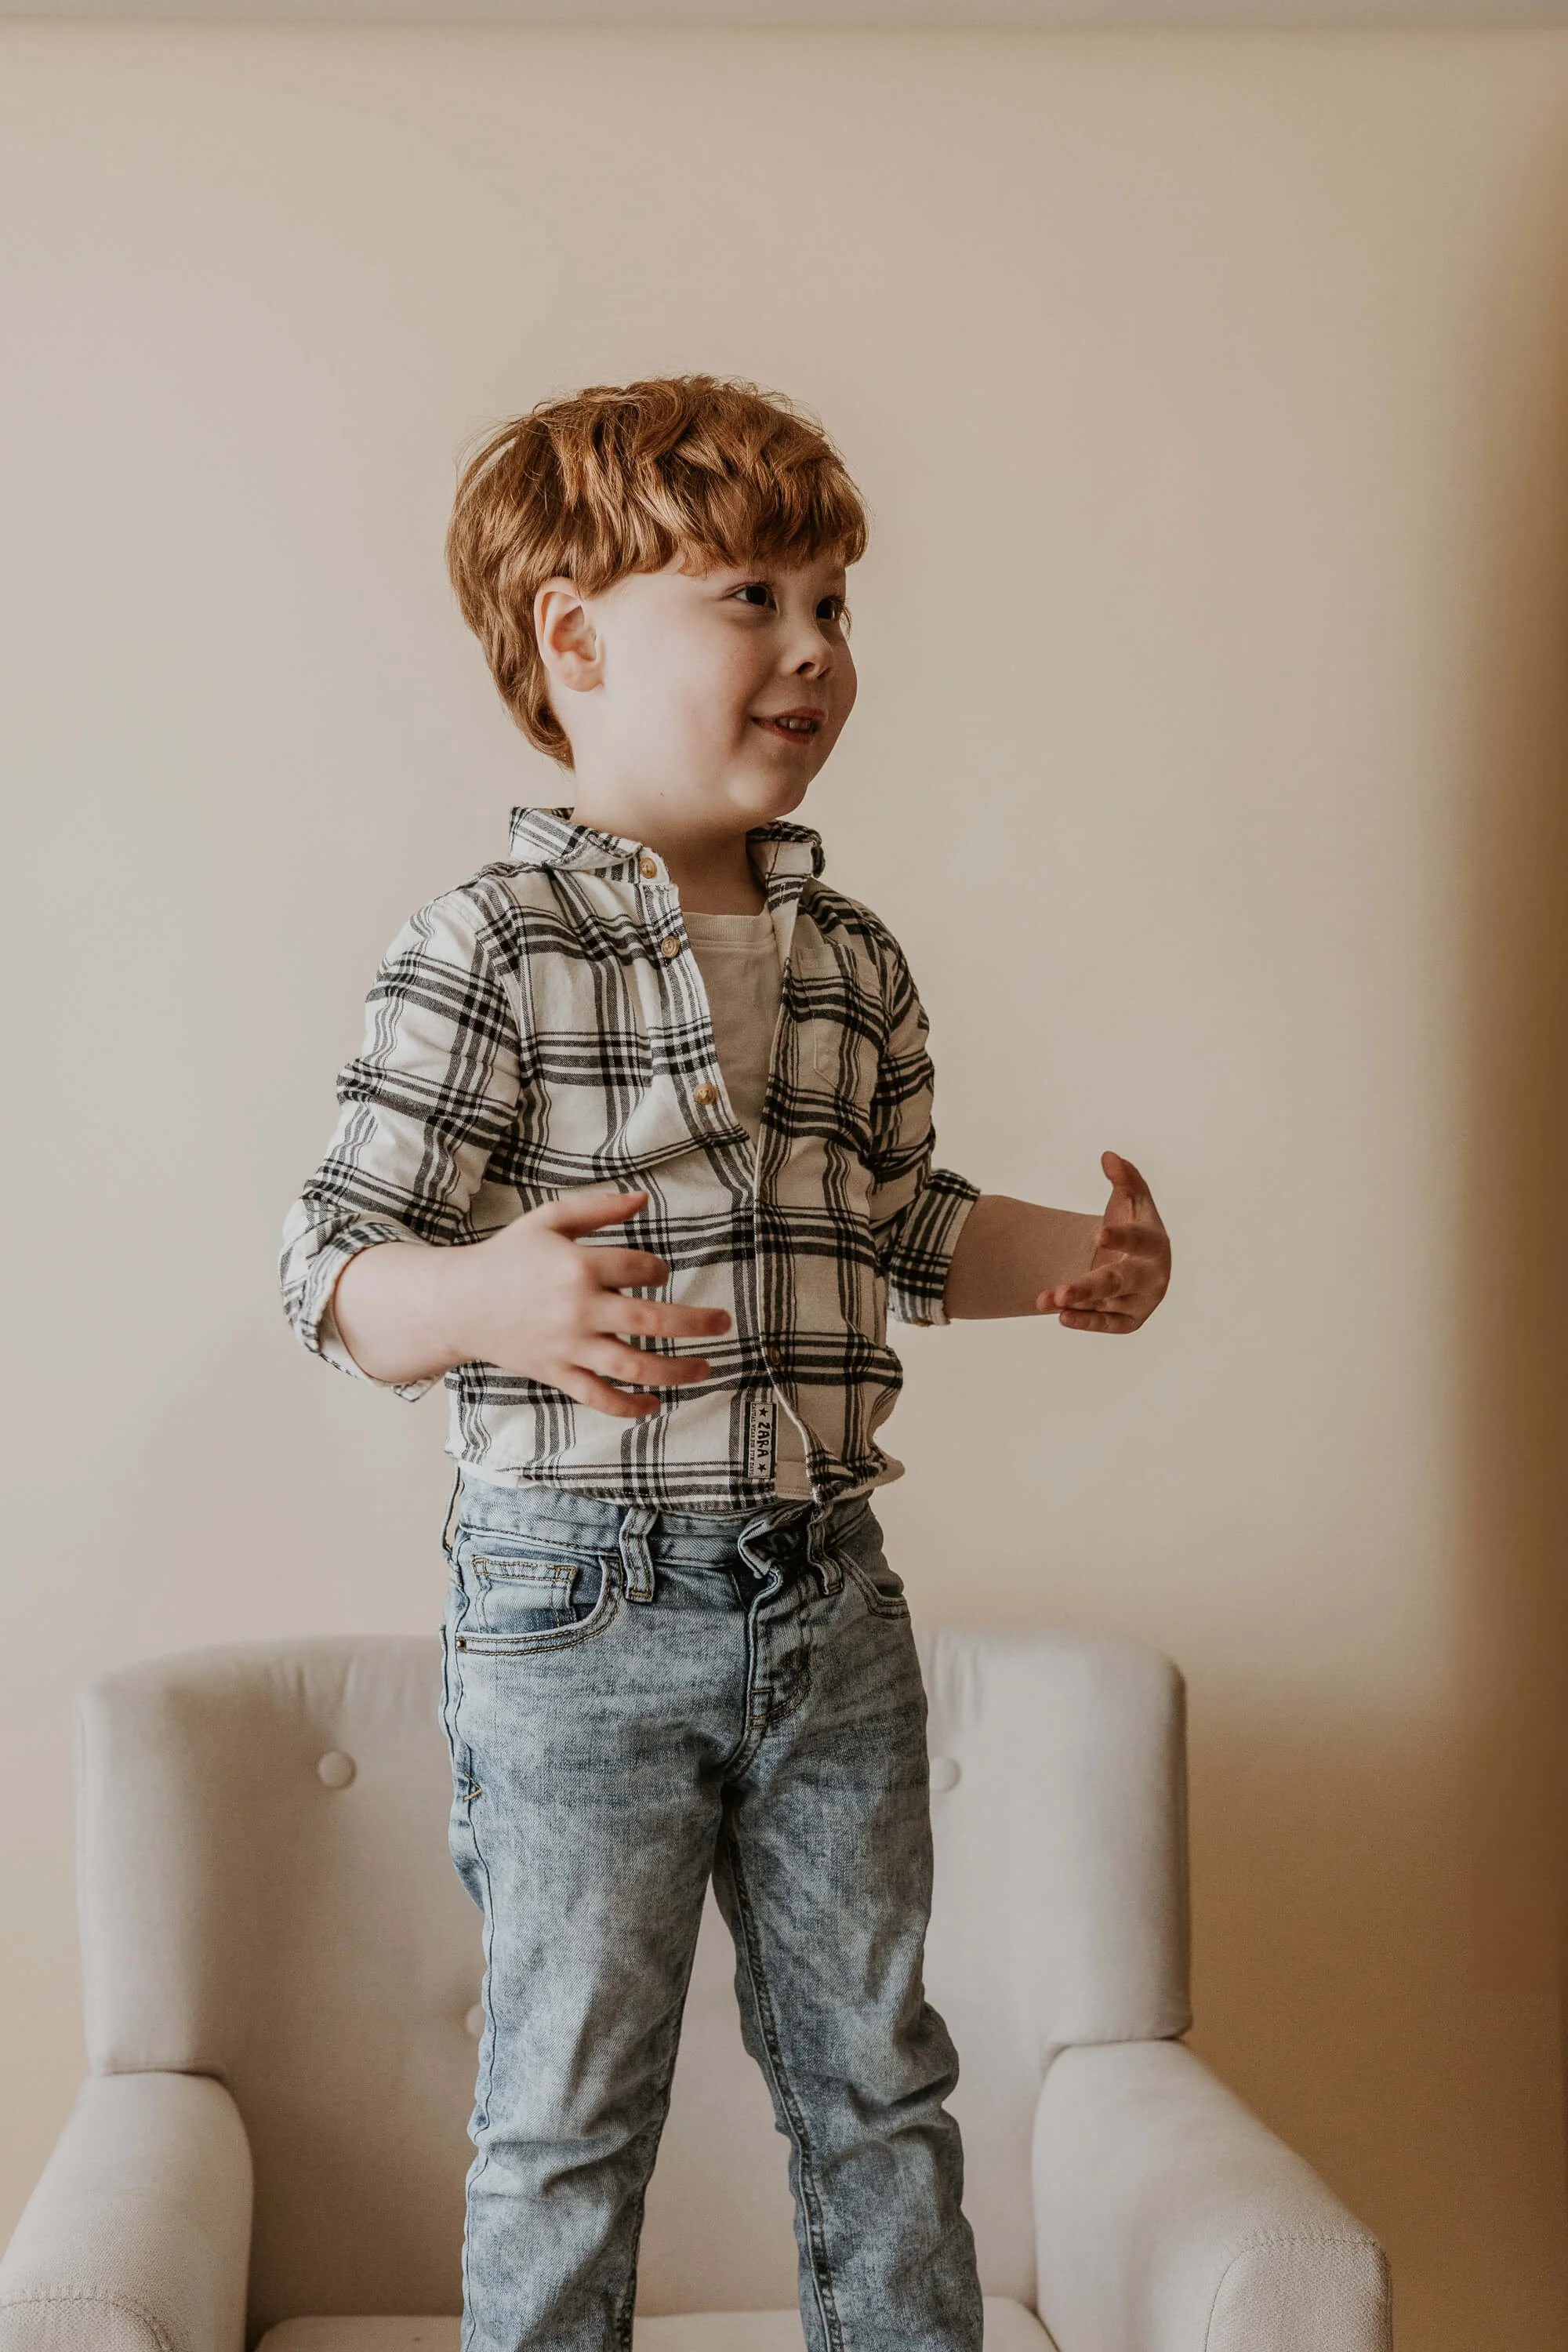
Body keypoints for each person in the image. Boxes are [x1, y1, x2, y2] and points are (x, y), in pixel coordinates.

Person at [278, 374, 1171, 2352]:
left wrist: (1077, 1265)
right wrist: (484, 1301)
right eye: (750, 596)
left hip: (826, 1595)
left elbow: (893, 1222)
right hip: (573, 1608)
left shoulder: (850, 956)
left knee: (879, 2081)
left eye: (833, 603)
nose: (811, 649)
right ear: (573, 638)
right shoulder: (490, 945)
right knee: (566, 2118)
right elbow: (327, 1265)